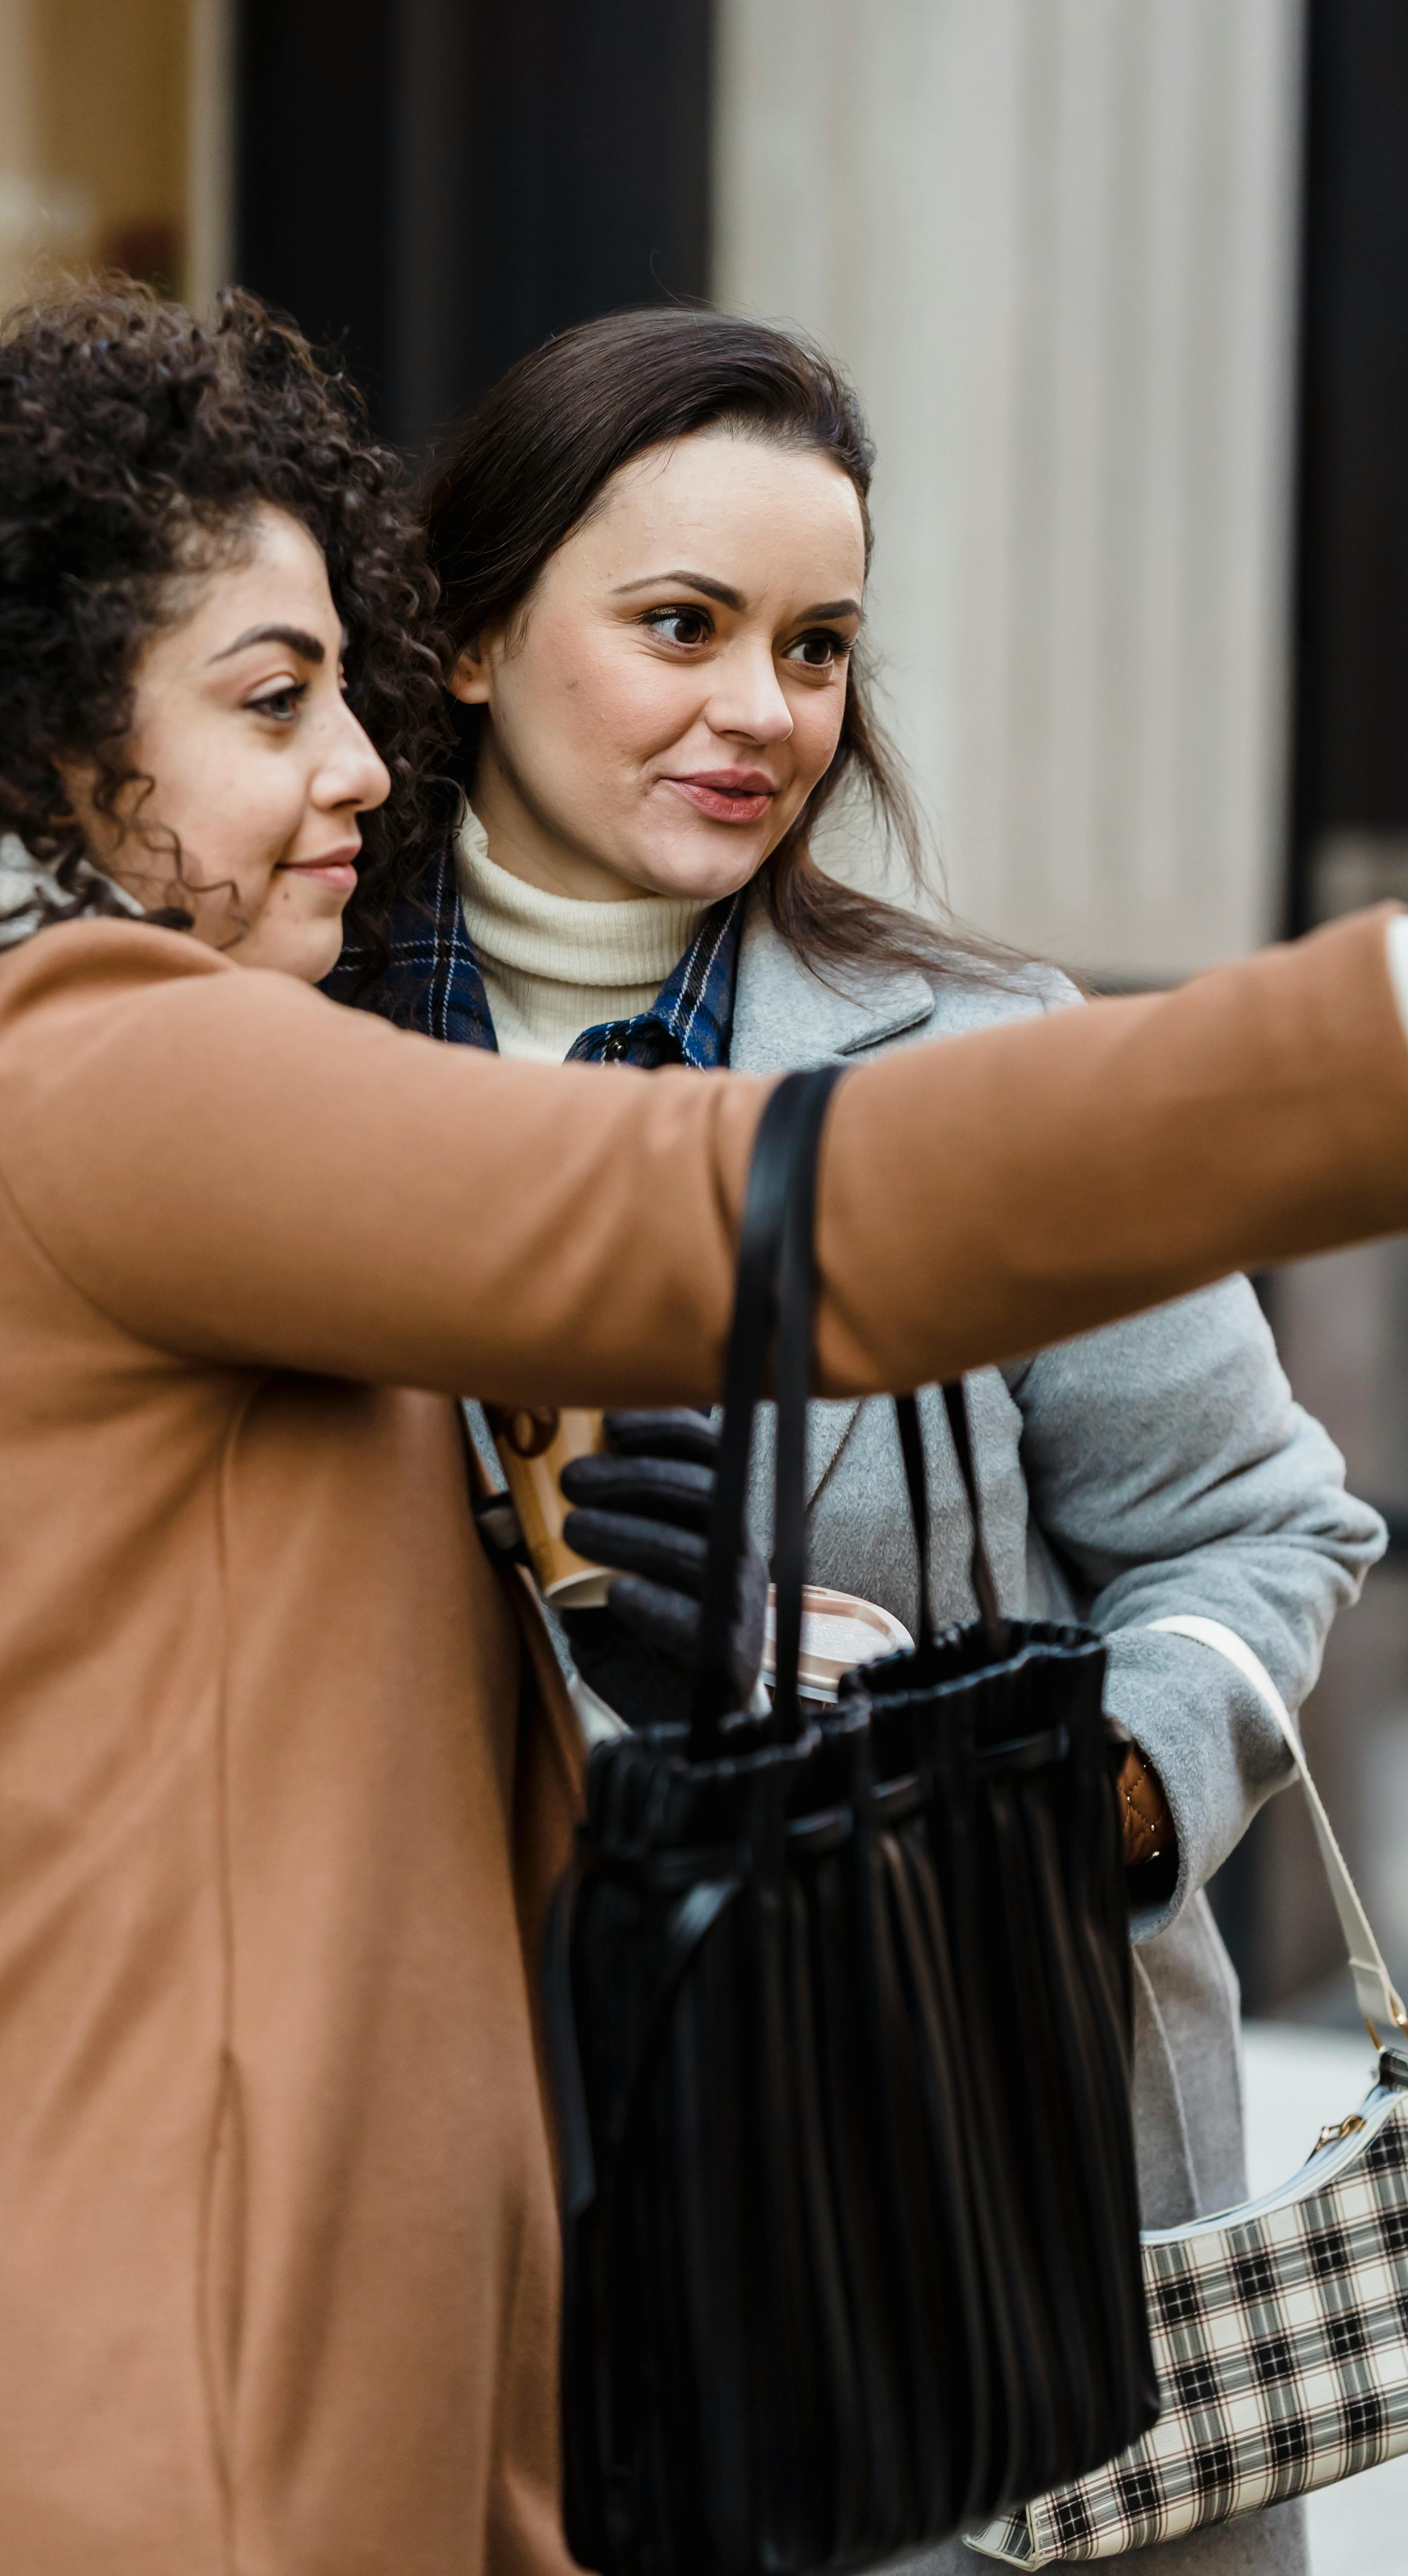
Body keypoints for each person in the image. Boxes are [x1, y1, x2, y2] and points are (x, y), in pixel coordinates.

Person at [0, 283, 1405, 2576]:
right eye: (274, 701)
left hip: (114, 2343)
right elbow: (726, 1216)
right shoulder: (94, 1052)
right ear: (34, 743)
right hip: (148, 2412)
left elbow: (228, 1679)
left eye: (819, 642)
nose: (359, 763)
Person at [336, 305, 1381, 2576]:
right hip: (449, 2184)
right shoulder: (269, 1065)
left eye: (814, 647)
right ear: (471, 641)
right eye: (681, 627)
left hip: (944, 2193)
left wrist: (1058, 1790)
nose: (760, 713)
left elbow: (1260, 1530)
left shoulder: (971, 1057)